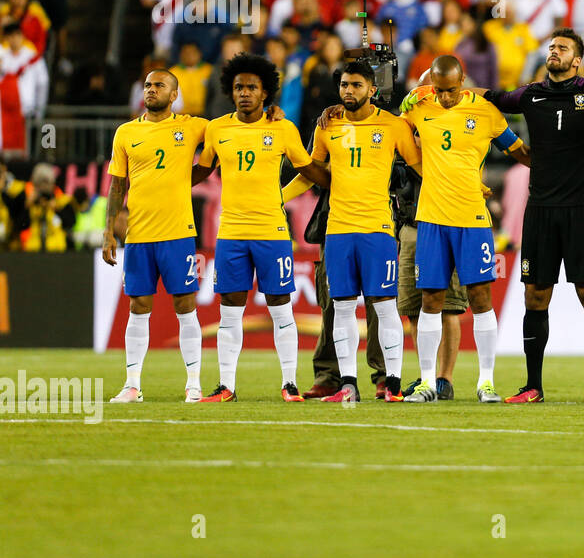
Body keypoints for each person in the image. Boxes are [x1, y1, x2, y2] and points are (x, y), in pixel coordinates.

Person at [483, 29, 584, 404]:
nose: (553, 52)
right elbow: (490, 99)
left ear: (577, 60)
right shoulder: (529, 94)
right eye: (551, 47)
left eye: (562, 48)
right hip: (539, 209)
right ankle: (533, 387)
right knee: (535, 297)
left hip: (582, 209)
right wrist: (449, 89)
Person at [190, 53, 330, 402]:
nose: (245, 93)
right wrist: (164, 179)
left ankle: (289, 384)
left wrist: (338, 181)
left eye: (252, 87)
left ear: (265, 92)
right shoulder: (217, 128)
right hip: (232, 234)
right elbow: (202, 171)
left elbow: (307, 167)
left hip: (272, 232)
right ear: (231, 91)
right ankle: (226, 387)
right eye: (239, 87)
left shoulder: (282, 128)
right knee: (229, 310)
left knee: (281, 307)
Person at [282, 60, 422, 403]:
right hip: (338, 230)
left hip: (378, 229)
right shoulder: (326, 126)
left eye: (356, 85)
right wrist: (278, 197)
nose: (349, 91)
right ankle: (348, 384)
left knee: (385, 308)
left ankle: (392, 385)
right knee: (341, 308)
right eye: (344, 85)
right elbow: (311, 171)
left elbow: (421, 167)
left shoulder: (393, 126)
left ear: (372, 89)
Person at [399, 55, 530, 403]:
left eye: (451, 90)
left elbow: (517, 150)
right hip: (431, 219)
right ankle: (427, 382)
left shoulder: (485, 111)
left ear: (463, 82)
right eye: (439, 90)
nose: (444, 97)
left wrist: (561, 167)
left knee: (480, 298)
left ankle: (486, 382)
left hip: (472, 219)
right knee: (430, 300)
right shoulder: (417, 105)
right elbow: (388, 129)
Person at [102, 70, 208, 403]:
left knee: (185, 305)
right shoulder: (126, 133)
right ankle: (132, 385)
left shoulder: (192, 126)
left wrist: (271, 114)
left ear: (174, 94)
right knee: (138, 306)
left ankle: (193, 383)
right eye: (147, 84)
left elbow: (231, 128)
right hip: (138, 235)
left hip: (178, 233)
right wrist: (109, 233)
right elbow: (118, 185)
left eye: (159, 85)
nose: (151, 89)